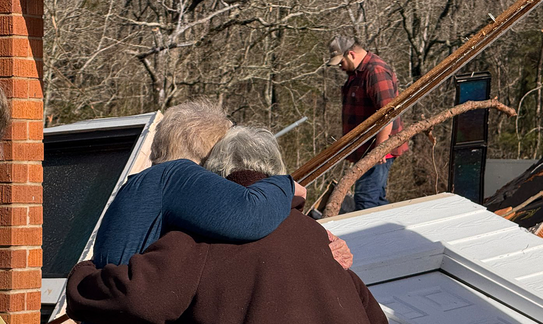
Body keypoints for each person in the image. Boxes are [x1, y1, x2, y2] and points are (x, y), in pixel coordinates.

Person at [67, 126, 387, 324]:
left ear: (211, 175)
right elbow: (374, 316)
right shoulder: (318, 237)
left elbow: (135, 298)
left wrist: (85, 274)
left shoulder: (195, 242)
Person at [92, 100, 306, 268]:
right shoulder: (176, 177)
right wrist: (284, 186)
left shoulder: (144, 184)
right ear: (207, 155)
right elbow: (251, 215)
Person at [328, 36, 408, 211]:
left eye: (341, 61)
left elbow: (389, 112)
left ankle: (372, 237)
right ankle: (390, 235)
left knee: (366, 201)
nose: (340, 67)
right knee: (376, 200)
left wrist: (380, 149)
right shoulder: (356, 74)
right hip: (366, 149)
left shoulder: (375, 71)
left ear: (351, 54)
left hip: (377, 150)